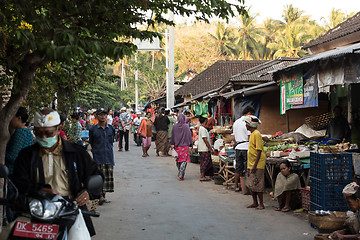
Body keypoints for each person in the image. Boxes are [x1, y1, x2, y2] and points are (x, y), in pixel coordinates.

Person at [13, 108, 102, 236]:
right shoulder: (26, 155)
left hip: (70, 210)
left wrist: (88, 192)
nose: (43, 137)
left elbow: (97, 176)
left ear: (59, 128)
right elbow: (19, 182)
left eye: (48, 133)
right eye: (39, 133)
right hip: (37, 212)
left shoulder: (77, 153)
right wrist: (40, 190)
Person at [89, 108, 115, 205]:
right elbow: (91, 142)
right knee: (98, 177)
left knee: (107, 177)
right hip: (98, 156)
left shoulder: (111, 128)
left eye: (105, 114)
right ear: (97, 116)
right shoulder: (93, 129)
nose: (103, 116)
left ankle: (103, 196)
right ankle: (99, 196)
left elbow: (111, 141)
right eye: (101, 115)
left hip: (108, 155)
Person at [245, 115, 266, 210]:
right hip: (251, 163)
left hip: (257, 164)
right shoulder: (252, 134)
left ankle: (261, 204)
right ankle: (255, 202)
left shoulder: (257, 134)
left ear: (250, 125)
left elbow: (259, 151)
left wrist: (254, 165)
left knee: (258, 184)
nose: (245, 126)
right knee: (251, 184)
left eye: (246, 124)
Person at [5, 107, 34, 176]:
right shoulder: (27, 132)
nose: (10, 120)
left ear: (19, 118)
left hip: (13, 172)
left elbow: (12, 157)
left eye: (12, 117)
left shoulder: (20, 133)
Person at [232, 106, 255, 192]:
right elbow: (250, 137)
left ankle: (236, 186)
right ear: (248, 113)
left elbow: (234, 137)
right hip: (246, 147)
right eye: (251, 114)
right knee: (247, 168)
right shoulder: (247, 122)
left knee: (238, 168)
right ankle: (247, 187)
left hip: (238, 148)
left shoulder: (236, 122)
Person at [171, 114, 193, 181]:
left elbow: (173, 136)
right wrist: (191, 144)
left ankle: (180, 172)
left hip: (177, 147)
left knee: (178, 160)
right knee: (184, 161)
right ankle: (181, 174)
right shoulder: (186, 126)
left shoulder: (175, 126)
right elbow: (189, 136)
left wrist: (172, 144)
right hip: (185, 147)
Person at [198, 116, 214, 181]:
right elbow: (205, 139)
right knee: (205, 162)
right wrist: (210, 148)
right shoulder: (202, 129)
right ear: (205, 121)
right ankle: (202, 176)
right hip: (204, 149)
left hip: (203, 148)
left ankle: (205, 175)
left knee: (207, 162)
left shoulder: (202, 129)